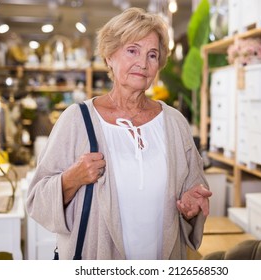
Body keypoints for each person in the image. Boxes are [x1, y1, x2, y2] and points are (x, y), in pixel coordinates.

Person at [26, 7, 212, 260]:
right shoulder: (77, 119)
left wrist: (191, 206)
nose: (143, 63)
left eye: (152, 55)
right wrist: (72, 178)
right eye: (132, 50)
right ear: (109, 56)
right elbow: (36, 199)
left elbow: (194, 189)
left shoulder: (175, 122)